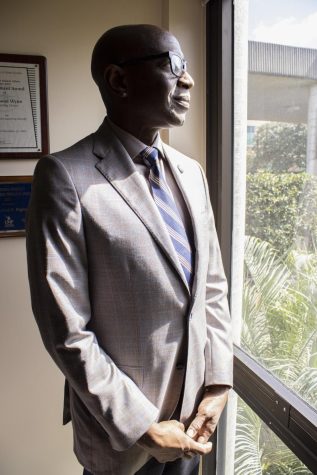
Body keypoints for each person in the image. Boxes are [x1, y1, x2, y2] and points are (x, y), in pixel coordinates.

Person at [26, 24, 233, 475]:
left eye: (188, 67)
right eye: (173, 65)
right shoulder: (64, 176)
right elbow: (66, 329)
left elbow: (210, 287)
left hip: (193, 422)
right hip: (122, 435)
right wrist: (143, 426)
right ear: (119, 80)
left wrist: (217, 383)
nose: (189, 80)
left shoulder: (190, 172)